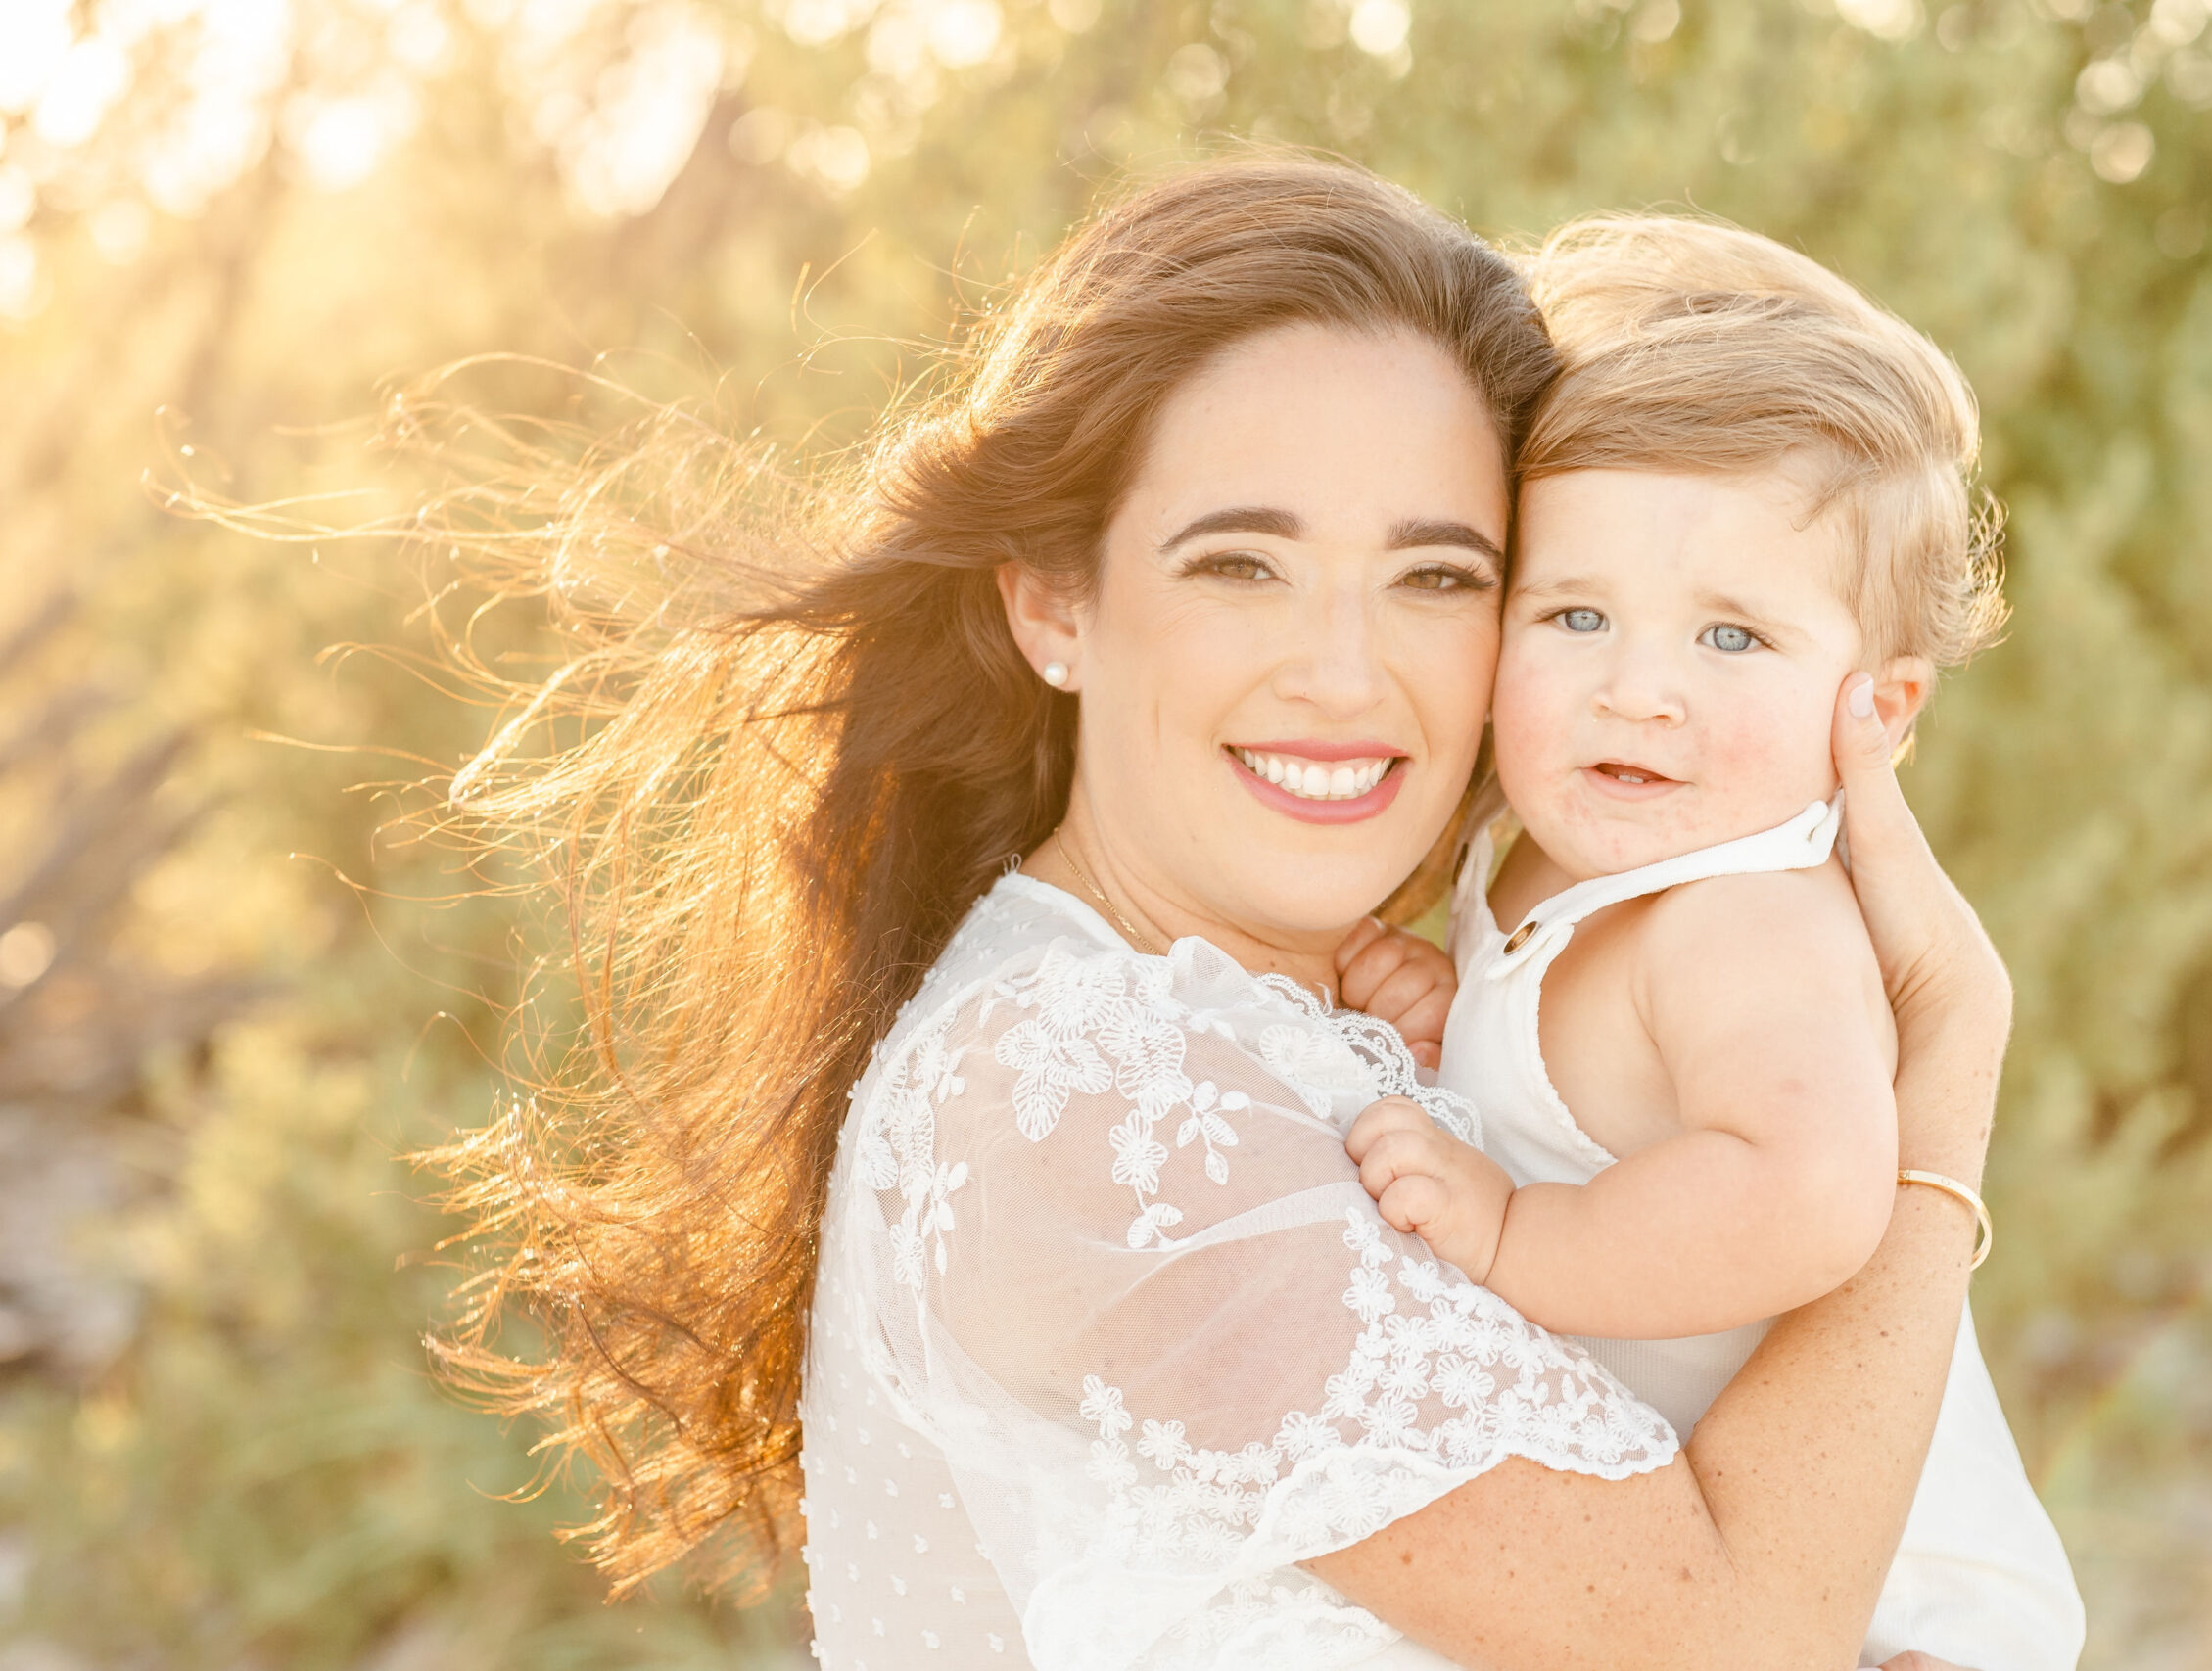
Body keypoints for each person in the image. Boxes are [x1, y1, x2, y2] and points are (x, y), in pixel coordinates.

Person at [435, 156, 2022, 1671]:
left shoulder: (1279, 1008)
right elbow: (1729, 1639)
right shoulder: (1084, 1099)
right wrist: (1945, 1054)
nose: (1343, 673)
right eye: (1244, 566)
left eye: (1439, 577)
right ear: (1057, 598)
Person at [1340, 214, 2084, 1670]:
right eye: (1577, 614)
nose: (1640, 691)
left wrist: (1511, 1231)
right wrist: (1442, 1017)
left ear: (1881, 707)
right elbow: (1571, 1079)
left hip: (1899, 1618)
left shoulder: (1749, 923)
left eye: (1731, 638)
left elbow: (1807, 1194)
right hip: (1713, 1537)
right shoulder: (1555, 845)